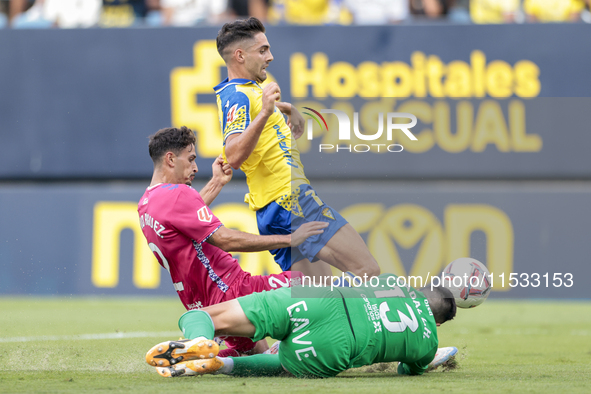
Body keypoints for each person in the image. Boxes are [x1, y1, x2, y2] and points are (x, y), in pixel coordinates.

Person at [213, 17, 380, 283]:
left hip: (271, 210)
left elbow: (256, 110)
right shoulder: (238, 96)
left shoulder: (244, 92)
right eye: (263, 50)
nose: (270, 56)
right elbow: (232, 154)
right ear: (240, 56)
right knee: (367, 271)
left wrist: (286, 108)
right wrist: (268, 110)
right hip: (290, 200)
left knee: (318, 295)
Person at [138, 126, 328, 356]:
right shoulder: (178, 193)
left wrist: (217, 182)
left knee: (258, 356)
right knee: (315, 286)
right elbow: (224, 239)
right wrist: (289, 238)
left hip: (203, 305)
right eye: (190, 159)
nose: (195, 168)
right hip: (232, 288)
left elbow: (186, 215)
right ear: (170, 159)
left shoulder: (147, 203)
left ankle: (195, 356)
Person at [145, 273, 457, 378]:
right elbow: (409, 369)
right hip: (339, 344)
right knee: (282, 363)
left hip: (322, 297)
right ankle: (220, 364)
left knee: (207, 316)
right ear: (439, 322)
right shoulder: (427, 343)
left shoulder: (395, 282)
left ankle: (199, 338)